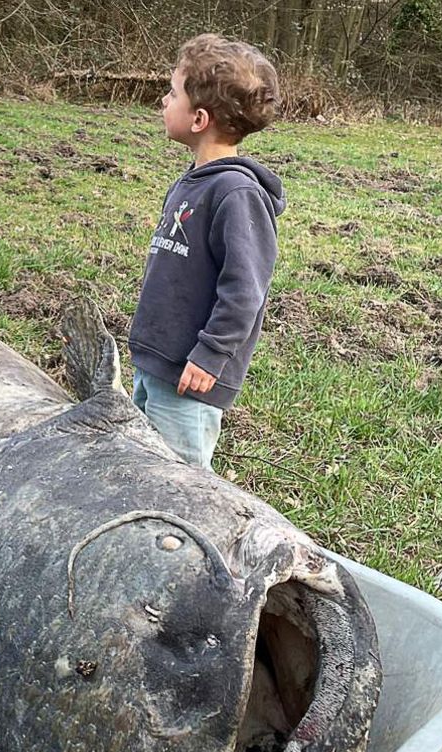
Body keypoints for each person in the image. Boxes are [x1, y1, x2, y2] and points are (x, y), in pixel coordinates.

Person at [128, 33, 286, 468]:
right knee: (140, 466)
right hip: (158, 363)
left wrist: (211, 354)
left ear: (199, 119)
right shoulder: (191, 182)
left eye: (172, 93)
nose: (163, 101)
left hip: (190, 376)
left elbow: (245, 291)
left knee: (176, 481)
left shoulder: (235, 194)